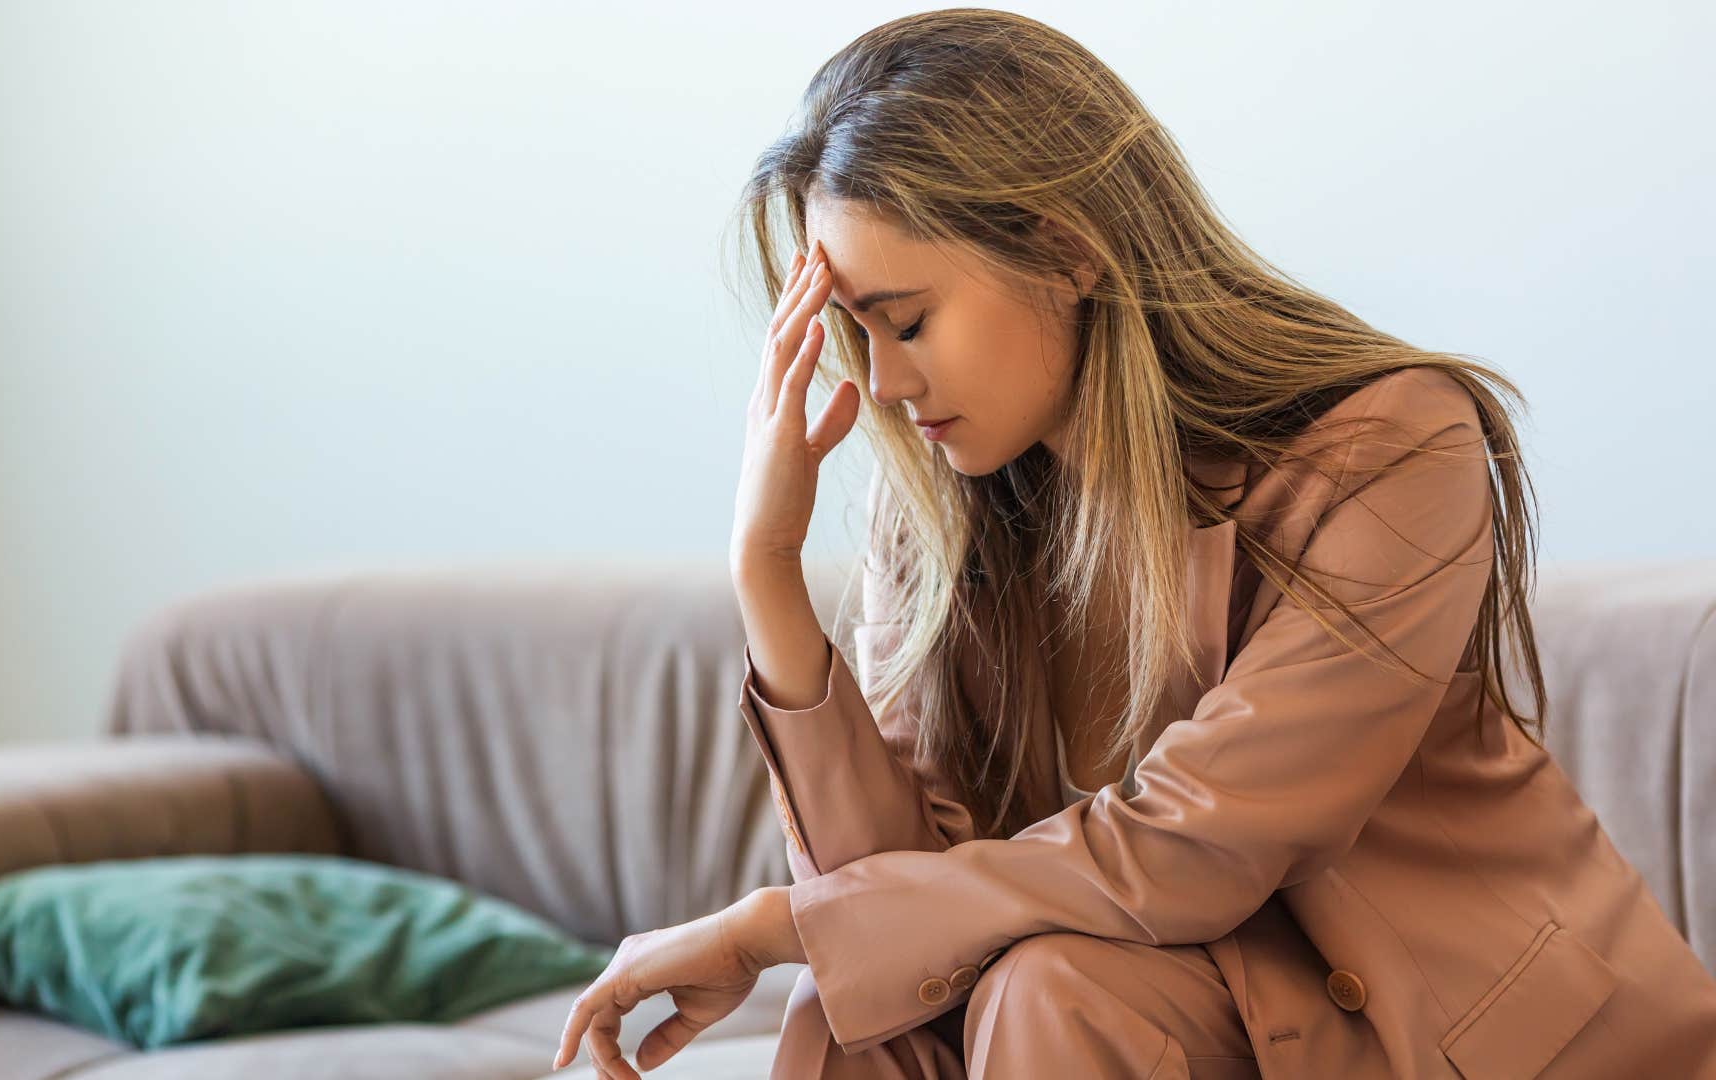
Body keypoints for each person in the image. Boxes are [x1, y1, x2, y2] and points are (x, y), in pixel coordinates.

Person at [554, 9, 1716, 1078]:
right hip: (1178, 1020)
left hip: (1453, 1036)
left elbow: (1204, 842)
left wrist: (775, 928)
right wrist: (766, 574)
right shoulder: (949, 508)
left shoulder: (1394, 447)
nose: (887, 384)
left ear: (1070, 251)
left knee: (1038, 989)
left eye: (906, 322)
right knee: (878, 1013)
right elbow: (890, 912)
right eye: (857, 336)